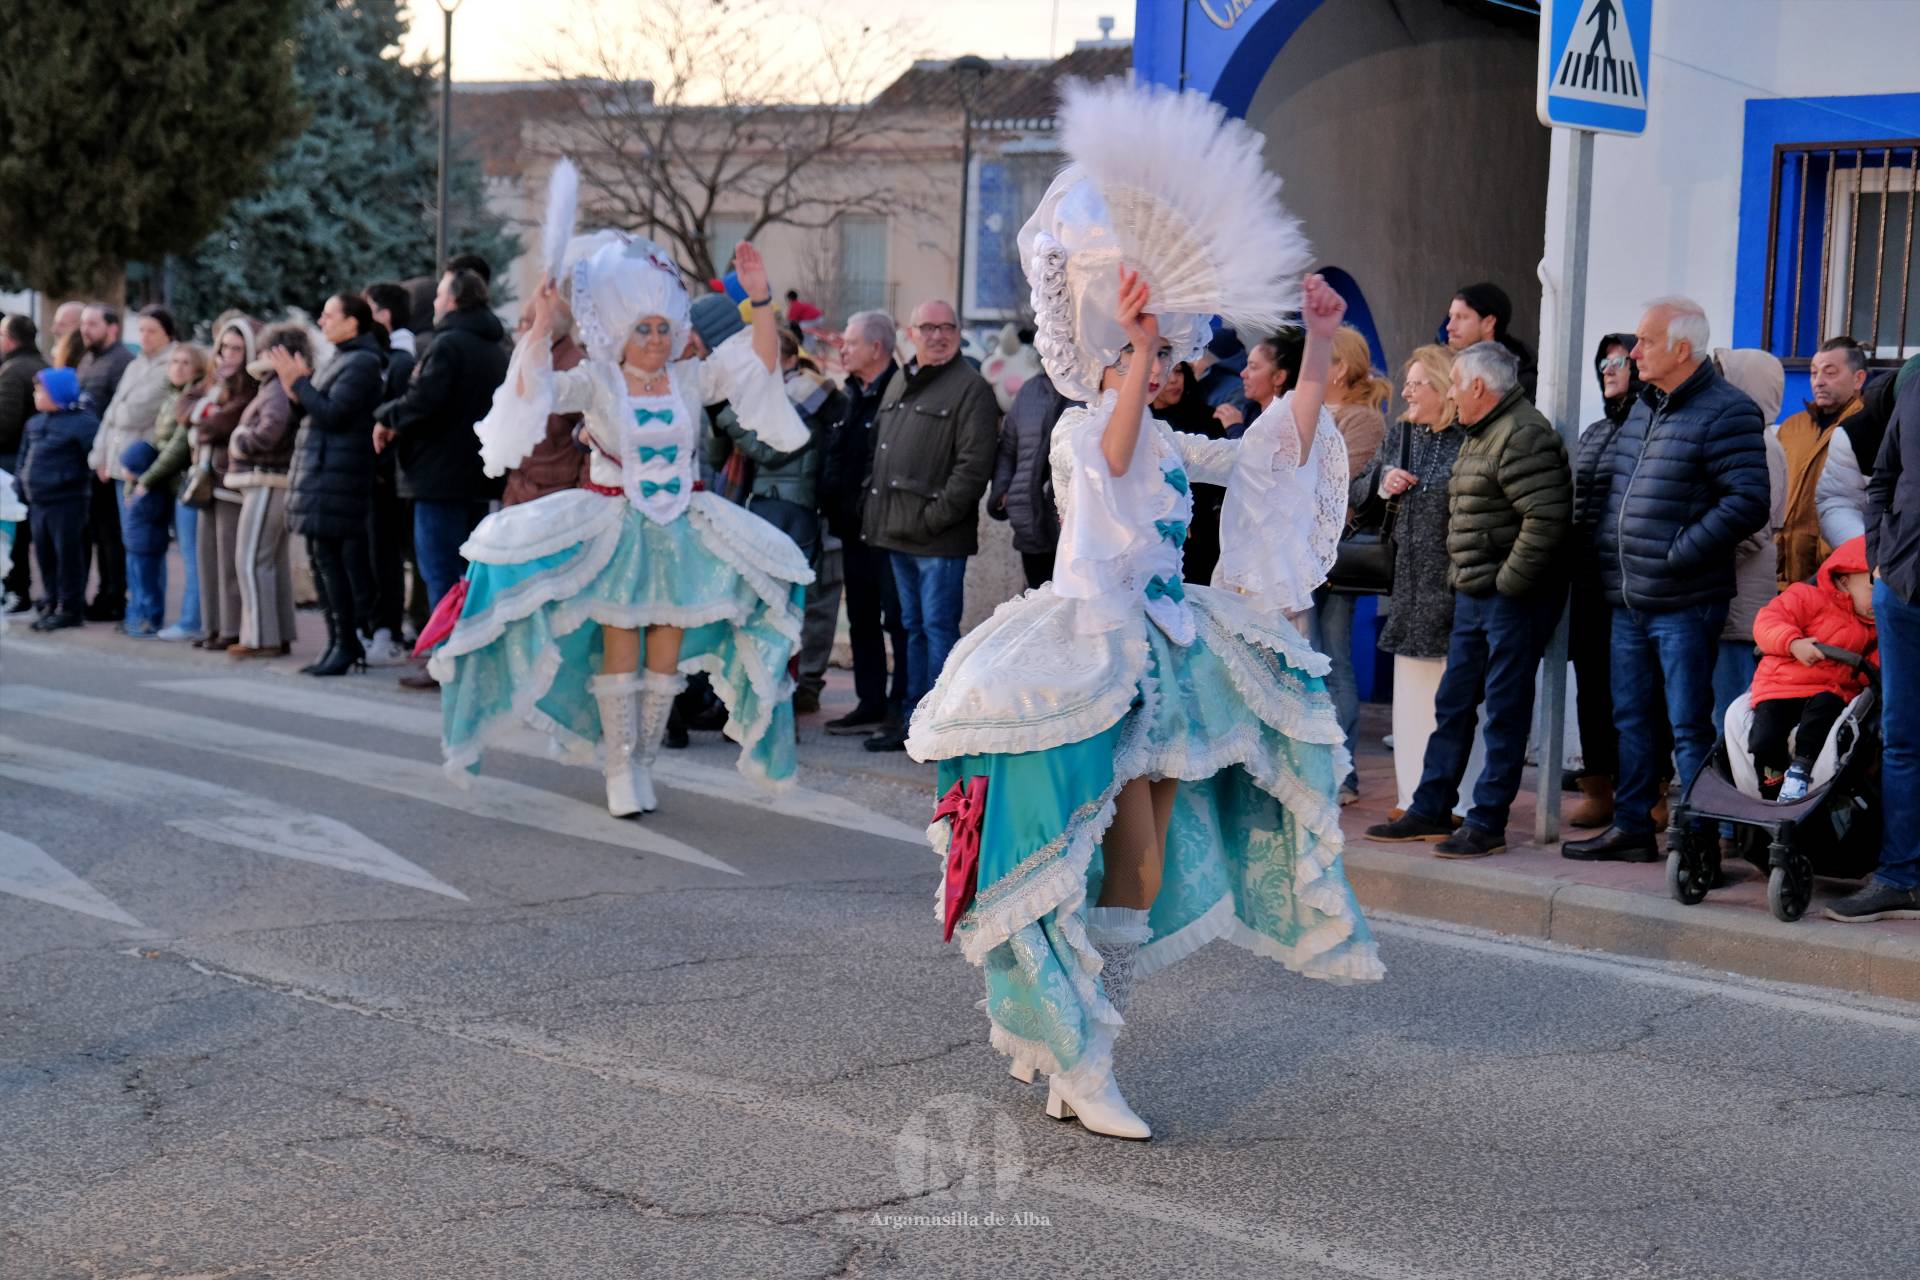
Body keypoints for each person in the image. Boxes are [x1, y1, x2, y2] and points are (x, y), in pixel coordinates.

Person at [910, 79, 1378, 1141]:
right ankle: (1080, 1054)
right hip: (1079, 661)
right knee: (1057, 856)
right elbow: (1111, 457)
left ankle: (1065, 1017)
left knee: (1134, 874)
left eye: (1169, 352)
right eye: (1157, 351)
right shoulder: (1090, 426)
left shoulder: (1168, 434)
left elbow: (1272, 453)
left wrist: (1312, 346)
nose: (1170, 365)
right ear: (1118, 351)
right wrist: (1127, 348)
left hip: (1162, 659)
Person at [428, 233, 814, 818]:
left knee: (665, 656)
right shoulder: (597, 380)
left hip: (683, 533)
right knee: (621, 646)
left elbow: (757, 361)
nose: (656, 340)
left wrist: (760, 300)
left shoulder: (690, 378)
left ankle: (643, 762)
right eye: (643, 329)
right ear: (618, 332)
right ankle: (618, 767)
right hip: (615, 531)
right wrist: (537, 326)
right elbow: (536, 389)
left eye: (663, 328)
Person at [1565, 297, 1770, 863]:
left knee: (1687, 724)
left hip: (1684, 600)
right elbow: (1619, 492)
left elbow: (1748, 503)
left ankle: (1699, 837)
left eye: (1646, 341)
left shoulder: (1729, 411)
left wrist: (1680, 552)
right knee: (1630, 718)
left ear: (1682, 349)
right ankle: (1633, 827)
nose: (1634, 352)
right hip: (1628, 597)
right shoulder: (1641, 408)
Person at [1364, 342, 1571, 858]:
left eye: (1455, 383)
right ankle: (1430, 807)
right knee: (1453, 704)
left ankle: (1487, 821)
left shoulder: (1523, 433)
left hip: (1510, 598)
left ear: (1477, 387)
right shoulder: (1484, 433)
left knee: (1503, 711)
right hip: (1477, 594)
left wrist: (1506, 582)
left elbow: (1545, 520)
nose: (1452, 391)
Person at [859, 299, 1001, 752]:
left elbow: (974, 467)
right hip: (896, 532)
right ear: (910, 332)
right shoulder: (902, 378)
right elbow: (880, 450)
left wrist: (932, 518)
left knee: (938, 628)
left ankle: (939, 727)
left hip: (937, 539)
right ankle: (912, 719)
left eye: (947, 327)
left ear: (958, 333)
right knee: (911, 628)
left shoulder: (971, 388)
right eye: (928, 327)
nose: (938, 335)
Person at [1350, 345, 1485, 818]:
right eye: (1407, 382)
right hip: (1408, 591)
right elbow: (1358, 490)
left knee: (1458, 702)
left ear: (1445, 390)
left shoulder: (1470, 438)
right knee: (1411, 703)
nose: (1405, 391)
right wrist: (1382, 482)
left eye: (1416, 383)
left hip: (1456, 588)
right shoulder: (1402, 435)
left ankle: (1461, 803)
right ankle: (1412, 799)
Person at [374, 267, 510, 688]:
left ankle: (445, 658)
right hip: (478, 474)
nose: (432, 304)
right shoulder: (497, 345)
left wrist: (386, 416)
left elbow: (424, 400)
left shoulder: (447, 345)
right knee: (467, 573)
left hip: (438, 475)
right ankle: (467, 656)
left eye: (438, 296)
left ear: (453, 300)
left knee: (440, 569)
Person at [1828, 363, 1920, 921]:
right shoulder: (1914, 377)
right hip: (1904, 588)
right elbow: (1883, 475)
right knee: (1903, 740)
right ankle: (1899, 876)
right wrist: (1881, 560)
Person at [709, 327, 840, 712]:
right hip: (762, 506)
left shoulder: (803, 395)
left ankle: (776, 700)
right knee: (750, 607)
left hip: (790, 511)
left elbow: (769, 450)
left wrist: (724, 412)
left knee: (782, 611)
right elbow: (722, 458)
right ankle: (742, 697)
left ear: (786, 360)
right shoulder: (762, 399)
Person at [276, 293, 387, 677]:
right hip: (322, 476)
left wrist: (299, 384)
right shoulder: (342, 358)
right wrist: (297, 392)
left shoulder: (363, 362)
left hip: (338, 478)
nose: (321, 323)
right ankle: (338, 642)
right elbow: (314, 410)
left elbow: (334, 414)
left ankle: (346, 643)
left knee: (333, 564)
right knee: (323, 562)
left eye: (328, 316)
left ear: (352, 322)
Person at [818, 310, 909, 737]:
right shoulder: (850, 393)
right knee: (861, 619)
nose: (842, 349)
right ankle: (869, 702)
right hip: (852, 529)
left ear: (876, 348)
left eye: (850, 343)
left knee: (898, 620)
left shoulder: (899, 392)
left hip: (888, 530)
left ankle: (901, 707)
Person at [1564, 333, 1641, 827]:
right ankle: (1599, 786)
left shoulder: (1649, 425)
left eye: (1619, 360)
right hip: (1588, 580)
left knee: (1635, 692)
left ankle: (1646, 788)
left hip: (1631, 578)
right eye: (1603, 362)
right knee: (1591, 687)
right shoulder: (1593, 431)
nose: (1609, 369)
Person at [1313, 325, 1390, 804]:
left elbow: (1336, 484)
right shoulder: (1311, 411)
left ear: (1339, 367)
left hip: (1333, 556)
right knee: (1308, 661)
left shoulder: (1363, 420)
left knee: (1335, 659)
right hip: (1297, 555)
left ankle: (1343, 774)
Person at [1747, 536, 1875, 802]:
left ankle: (1800, 770)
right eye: (1874, 588)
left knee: (1823, 713)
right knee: (1765, 739)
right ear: (1844, 580)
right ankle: (1771, 791)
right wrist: (1793, 643)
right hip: (1780, 686)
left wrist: (1863, 673)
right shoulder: (1805, 596)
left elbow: (1873, 669)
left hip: (1828, 690)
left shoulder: (1874, 628)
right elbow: (1768, 622)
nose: (1881, 598)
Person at [1710, 347, 1787, 727]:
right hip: (1730, 588)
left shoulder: (1763, 445)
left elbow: (1754, 526)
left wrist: (1703, 552)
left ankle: (1726, 787)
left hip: (1741, 595)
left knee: (1730, 708)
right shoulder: (1745, 438)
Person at [1191, 331, 1299, 585]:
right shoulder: (1250, 410)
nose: (1243, 374)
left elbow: (1259, 467)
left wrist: (1235, 430)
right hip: (1241, 531)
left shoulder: (1287, 420)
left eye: (1253, 367)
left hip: (1273, 538)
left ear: (1279, 377)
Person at [225, 322, 304, 658]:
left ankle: (260, 637)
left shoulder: (275, 389)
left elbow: (271, 430)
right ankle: (276, 633)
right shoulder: (276, 385)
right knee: (269, 560)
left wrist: (240, 440)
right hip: (271, 480)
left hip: (267, 480)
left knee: (252, 559)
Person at [127, 342, 212, 638]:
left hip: (187, 486)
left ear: (199, 369)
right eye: (173, 361)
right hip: (171, 486)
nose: (176, 367)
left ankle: (191, 621)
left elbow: (176, 447)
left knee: (192, 558)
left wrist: (146, 479)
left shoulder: (192, 398)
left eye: (185, 363)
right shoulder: (173, 396)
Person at [1774, 337, 1868, 587]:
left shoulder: (1868, 428)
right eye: (1814, 373)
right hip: (1784, 571)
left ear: (1858, 379)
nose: (1819, 381)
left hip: (1838, 570)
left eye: (1830, 372)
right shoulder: (1792, 427)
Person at [192, 318, 261, 650]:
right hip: (204, 478)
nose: (228, 356)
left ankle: (231, 629)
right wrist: (208, 405)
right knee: (206, 557)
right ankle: (212, 626)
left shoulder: (250, 389)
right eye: (223, 349)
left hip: (230, 481)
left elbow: (215, 425)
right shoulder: (212, 385)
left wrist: (205, 414)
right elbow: (184, 407)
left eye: (236, 348)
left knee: (228, 559)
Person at [362, 280, 419, 665]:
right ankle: (385, 626)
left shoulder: (397, 361)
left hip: (387, 474)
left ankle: (388, 629)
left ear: (382, 315)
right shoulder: (392, 357)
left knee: (385, 554)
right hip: (387, 473)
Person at [18, 368, 98, 631]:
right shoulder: (35, 423)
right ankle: (51, 600)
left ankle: (70, 607)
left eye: (40, 390)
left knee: (68, 556)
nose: (35, 394)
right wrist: (21, 485)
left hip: (67, 501)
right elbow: (24, 458)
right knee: (45, 555)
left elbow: (93, 459)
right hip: (38, 501)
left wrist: (70, 480)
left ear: (56, 392)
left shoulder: (82, 423)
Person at [76, 304, 137, 621]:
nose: (85, 329)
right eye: (83, 324)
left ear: (112, 327)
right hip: (87, 460)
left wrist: (106, 458)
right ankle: (99, 594)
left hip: (108, 465)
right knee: (93, 533)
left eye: (92, 324)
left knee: (110, 535)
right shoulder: (87, 359)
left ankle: (114, 597)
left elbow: (118, 417)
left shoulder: (122, 362)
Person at [989, 367, 1071, 590]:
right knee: (1038, 608)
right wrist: (1003, 490)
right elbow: (1007, 449)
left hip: (1075, 530)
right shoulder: (1030, 390)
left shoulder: (1095, 389)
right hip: (1030, 523)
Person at [0, 315, 48, 612]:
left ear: (9, 338)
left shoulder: (14, 371)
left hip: (11, 460)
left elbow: (4, 423)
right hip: (29, 457)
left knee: (12, 529)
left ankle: (17, 590)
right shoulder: (40, 363)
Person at [116, 436, 173, 637]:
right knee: (137, 585)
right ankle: (136, 617)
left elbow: (154, 514)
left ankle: (150, 620)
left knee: (148, 586)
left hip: (147, 545)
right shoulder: (135, 488)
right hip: (135, 545)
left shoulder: (152, 492)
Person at [1444, 282, 1538, 402]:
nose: (1449, 326)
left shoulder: (1518, 380)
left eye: (1461, 317)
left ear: (1489, 323)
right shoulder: (1446, 364)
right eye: (1450, 316)